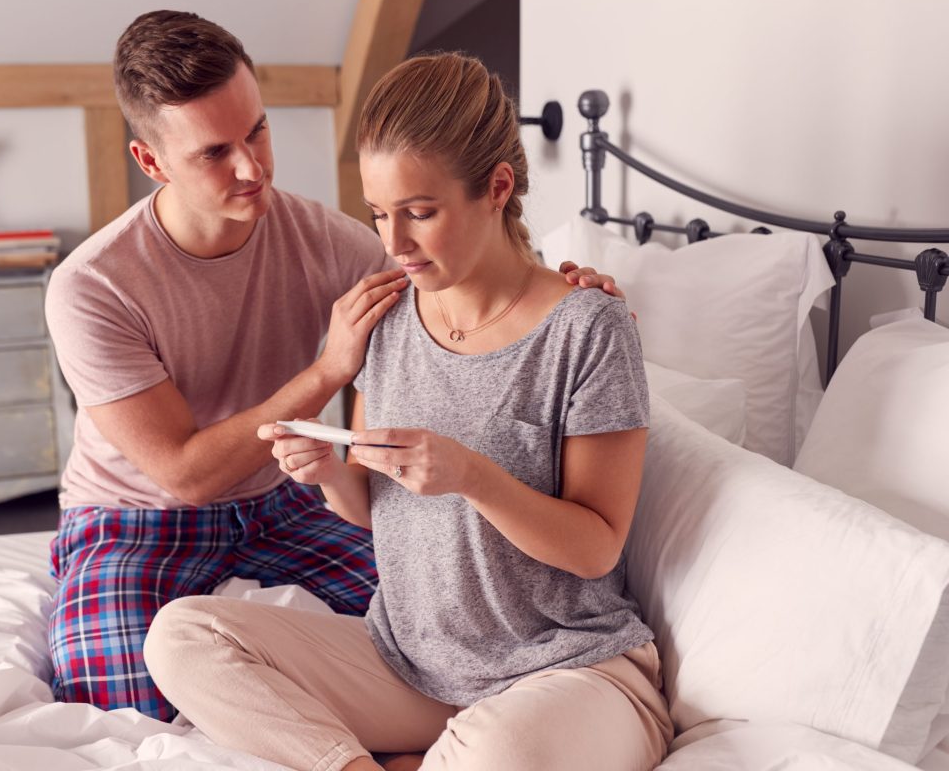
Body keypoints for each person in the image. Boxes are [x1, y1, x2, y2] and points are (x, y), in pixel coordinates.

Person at [44, 11, 626, 722]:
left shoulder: (328, 241)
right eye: (214, 152)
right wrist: (327, 372)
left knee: (430, 644)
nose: (252, 168)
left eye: (257, 131)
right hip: (134, 518)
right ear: (152, 163)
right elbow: (184, 474)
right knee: (130, 713)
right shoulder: (93, 285)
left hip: (283, 502)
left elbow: (458, 265)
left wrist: (561, 288)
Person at [144, 51, 672, 771]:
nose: (394, 244)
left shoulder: (586, 329)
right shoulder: (385, 318)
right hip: (410, 666)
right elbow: (378, 509)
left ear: (497, 187)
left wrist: (473, 477)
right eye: (380, 215)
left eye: (420, 213)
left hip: (567, 669)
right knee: (181, 636)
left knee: (504, 750)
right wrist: (331, 471)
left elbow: (596, 546)